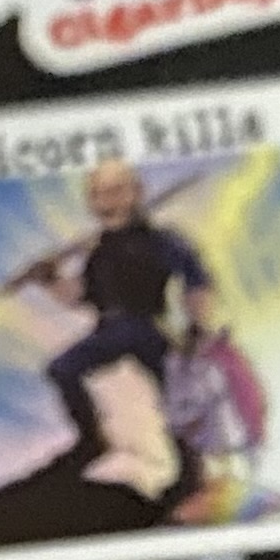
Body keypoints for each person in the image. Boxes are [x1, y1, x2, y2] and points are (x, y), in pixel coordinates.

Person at [32, 157, 219, 463]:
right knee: (62, 369)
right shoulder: (98, 252)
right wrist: (49, 278)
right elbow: (79, 296)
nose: (107, 202)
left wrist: (198, 328)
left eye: (116, 191)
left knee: (177, 393)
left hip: (148, 326)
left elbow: (196, 280)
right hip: (109, 330)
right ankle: (92, 441)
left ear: (137, 192)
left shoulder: (160, 240)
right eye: (97, 195)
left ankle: (193, 464)